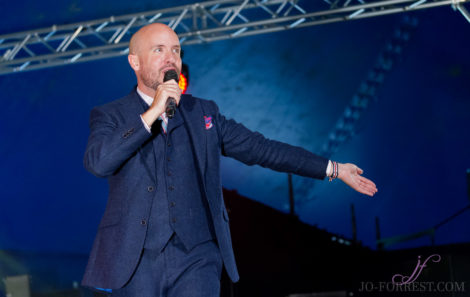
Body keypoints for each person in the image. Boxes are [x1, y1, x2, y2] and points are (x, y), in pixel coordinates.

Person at [81, 23, 377, 297]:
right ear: (135, 61)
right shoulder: (110, 115)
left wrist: (333, 169)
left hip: (196, 256)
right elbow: (99, 162)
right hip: (135, 259)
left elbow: (263, 149)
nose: (170, 57)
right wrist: (152, 113)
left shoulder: (204, 113)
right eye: (159, 50)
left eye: (176, 50)